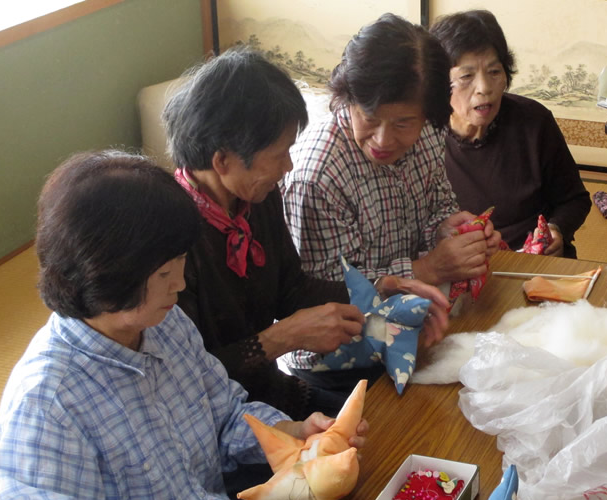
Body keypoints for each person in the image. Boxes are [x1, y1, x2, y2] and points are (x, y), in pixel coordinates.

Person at [0, 151, 368, 500]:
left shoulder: (165, 323)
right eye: (163, 274)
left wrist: (294, 434)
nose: (181, 283)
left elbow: (225, 413)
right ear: (105, 275)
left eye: (181, 263)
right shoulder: (46, 399)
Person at [163, 48, 449, 413]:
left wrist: (377, 291)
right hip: (221, 419)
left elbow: (292, 290)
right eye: (279, 154)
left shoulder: (257, 200)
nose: (289, 166)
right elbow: (182, 380)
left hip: (274, 394)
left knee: (401, 420)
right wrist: (280, 339)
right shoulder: (169, 241)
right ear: (223, 160)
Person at [283, 13, 503, 287]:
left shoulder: (430, 132)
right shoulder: (318, 175)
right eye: (370, 118)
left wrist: (448, 232)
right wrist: (427, 269)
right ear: (348, 99)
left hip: (421, 309)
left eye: (403, 123)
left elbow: (439, 205)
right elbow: (325, 290)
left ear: (427, 115)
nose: (383, 141)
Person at [430, 9, 591, 258]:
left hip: (534, 260)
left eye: (494, 72)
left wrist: (556, 229)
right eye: (466, 76)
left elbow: (574, 200)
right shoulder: (422, 136)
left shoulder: (534, 122)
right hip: (460, 267)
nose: (484, 88)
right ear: (440, 84)